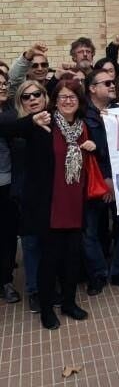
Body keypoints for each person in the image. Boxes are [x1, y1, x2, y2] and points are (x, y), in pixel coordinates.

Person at [0, 79, 97, 330]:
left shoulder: (82, 126)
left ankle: (68, 302)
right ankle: (46, 309)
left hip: (75, 202)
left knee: (72, 258)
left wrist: (93, 147)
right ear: (55, 100)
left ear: (79, 101)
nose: (67, 101)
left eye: (72, 97)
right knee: (49, 259)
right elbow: (7, 128)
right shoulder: (43, 122)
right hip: (49, 205)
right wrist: (30, 121)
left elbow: (94, 156)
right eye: (62, 97)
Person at [83, 69, 119, 294]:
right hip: (95, 182)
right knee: (89, 232)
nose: (112, 85)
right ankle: (98, 274)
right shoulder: (82, 115)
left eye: (113, 82)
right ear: (92, 88)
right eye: (106, 83)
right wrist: (106, 178)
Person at [12, 80, 49, 312]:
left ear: (45, 97)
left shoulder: (56, 122)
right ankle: (34, 289)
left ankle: (48, 285)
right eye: (26, 96)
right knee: (32, 244)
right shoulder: (15, 125)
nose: (33, 99)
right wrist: (30, 122)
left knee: (49, 243)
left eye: (37, 94)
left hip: (51, 195)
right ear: (20, 102)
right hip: (25, 199)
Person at [0, 70, 20, 305]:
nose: (3, 87)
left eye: (4, 84)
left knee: (7, 235)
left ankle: (6, 281)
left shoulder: (12, 113)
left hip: (7, 183)